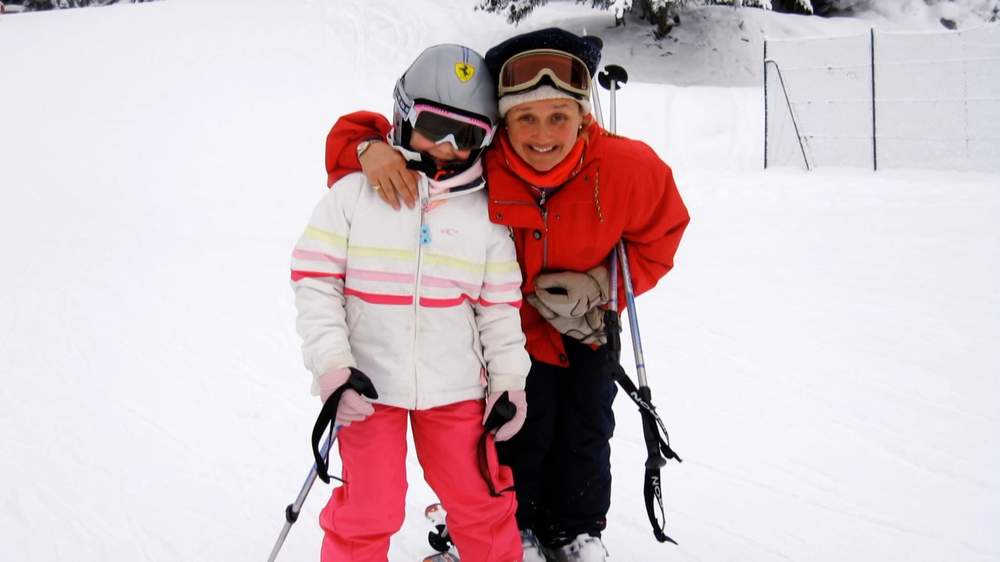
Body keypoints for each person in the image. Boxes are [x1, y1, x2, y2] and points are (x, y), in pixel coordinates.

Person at [324, 28, 690, 562]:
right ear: (503, 125)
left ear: (583, 116)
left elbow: (662, 234)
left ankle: (576, 528)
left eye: (559, 117)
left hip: (585, 327)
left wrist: (601, 287)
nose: (543, 135)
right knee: (514, 436)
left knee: (587, 429)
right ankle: (509, 525)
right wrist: (371, 148)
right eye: (525, 119)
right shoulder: (479, 163)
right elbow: (358, 135)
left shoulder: (626, 168)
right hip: (506, 334)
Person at [290, 44, 531, 562]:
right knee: (370, 508)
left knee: (480, 499)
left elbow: (499, 308)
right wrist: (334, 368)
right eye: (433, 126)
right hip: (368, 388)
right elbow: (316, 280)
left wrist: (508, 380)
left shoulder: (486, 214)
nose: (446, 147)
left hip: (457, 390)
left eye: (466, 136)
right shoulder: (355, 194)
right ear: (402, 114)